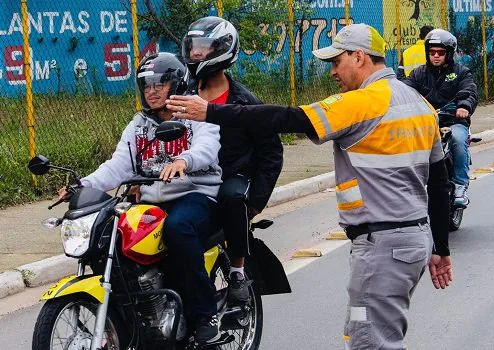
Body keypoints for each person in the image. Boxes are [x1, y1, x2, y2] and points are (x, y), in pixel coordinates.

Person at [166, 23, 453, 349]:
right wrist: (440, 248)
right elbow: (440, 183)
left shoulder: (362, 102)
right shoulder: (419, 104)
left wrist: (212, 112)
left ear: (359, 57)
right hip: (414, 241)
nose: (332, 72)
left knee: (371, 342)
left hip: (382, 246)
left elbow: (288, 118)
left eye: (336, 62)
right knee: (380, 336)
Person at [58, 52, 223, 344]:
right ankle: (133, 316)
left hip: (195, 194)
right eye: (146, 85)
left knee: (177, 229)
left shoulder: (196, 111)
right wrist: (81, 185)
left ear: (177, 84)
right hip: (152, 200)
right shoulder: (138, 125)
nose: (152, 91)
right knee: (109, 236)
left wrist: (185, 160)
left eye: (160, 84)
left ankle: (204, 314)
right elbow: (117, 166)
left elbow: (208, 146)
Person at [181, 16, 284, 303]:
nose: (196, 53)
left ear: (222, 49)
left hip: (231, 177)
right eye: (193, 47)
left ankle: (237, 272)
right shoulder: (181, 93)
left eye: (203, 47)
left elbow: (272, 153)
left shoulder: (246, 103)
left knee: (233, 197)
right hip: (190, 179)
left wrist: (254, 204)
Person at [403, 28, 478, 207]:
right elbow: (404, 90)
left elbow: (469, 92)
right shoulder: (418, 74)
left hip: (453, 121)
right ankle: (407, 189)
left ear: (449, 53)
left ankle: (460, 185)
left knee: (458, 140)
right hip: (426, 123)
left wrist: (463, 106)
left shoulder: (462, 72)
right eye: (432, 52)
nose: (436, 55)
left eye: (441, 52)